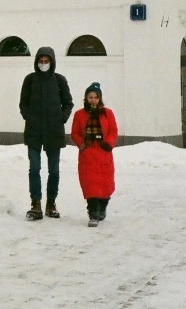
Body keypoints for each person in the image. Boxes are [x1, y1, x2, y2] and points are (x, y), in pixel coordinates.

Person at [19, 46, 73, 220]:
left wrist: (61, 118)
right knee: (34, 168)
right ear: (37, 62)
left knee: (54, 170)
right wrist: (29, 117)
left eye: (46, 61)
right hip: (34, 131)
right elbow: (23, 103)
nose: (43, 64)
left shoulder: (59, 80)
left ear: (52, 62)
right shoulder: (30, 80)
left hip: (54, 131)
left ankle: (51, 202)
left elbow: (68, 103)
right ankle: (36, 203)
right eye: (41, 61)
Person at [71, 82, 118, 227]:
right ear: (86, 98)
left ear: (100, 99)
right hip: (88, 153)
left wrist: (109, 144)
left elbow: (113, 131)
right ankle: (93, 213)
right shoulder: (79, 114)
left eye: (95, 97)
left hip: (103, 152)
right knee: (89, 184)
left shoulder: (107, 113)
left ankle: (102, 206)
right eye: (90, 97)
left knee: (106, 184)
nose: (93, 100)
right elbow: (75, 133)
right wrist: (82, 144)